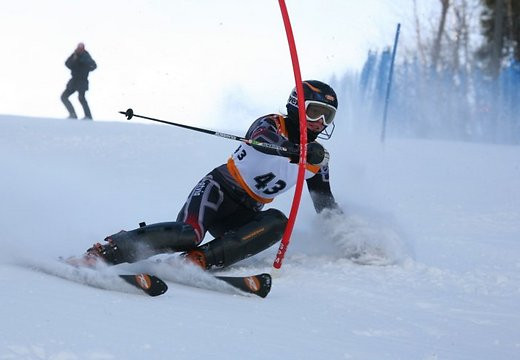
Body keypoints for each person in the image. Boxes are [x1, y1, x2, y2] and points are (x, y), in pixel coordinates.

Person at [80, 80, 342, 269]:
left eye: (327, 116)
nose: (320, 122)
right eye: (314, 111)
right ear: (296, 106)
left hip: (245, 213)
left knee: (278, 221)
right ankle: (107, 251)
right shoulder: (274, 123)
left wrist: (350, 235)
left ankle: (198, 260)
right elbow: (261, 137)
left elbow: (325, 206)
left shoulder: (317, 161)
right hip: (217, 191)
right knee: (190, 234)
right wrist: (294, 150)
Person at [61, 42, 97, 120]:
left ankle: (88, 116)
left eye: (81, 48)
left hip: (82, 81)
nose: (80, 50)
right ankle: (73, 114)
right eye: (79, 48)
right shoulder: (74, 55)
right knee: (64, 97)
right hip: (74, 81)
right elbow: (67, 64)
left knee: (81, 98)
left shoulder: (86, 56)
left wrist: (86, 68)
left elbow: (94, 66)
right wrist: (74, 61)